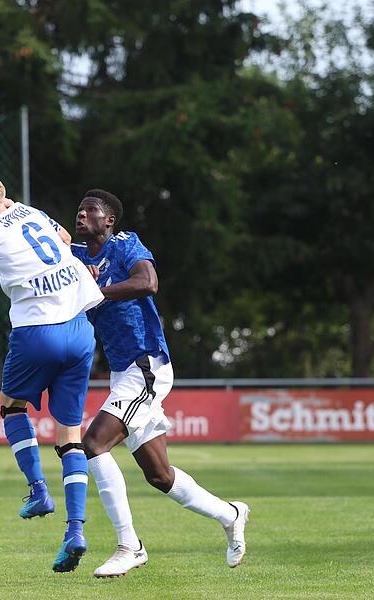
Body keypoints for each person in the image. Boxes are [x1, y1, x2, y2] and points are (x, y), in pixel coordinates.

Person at [71, 189, 250, 578]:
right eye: (79, 209)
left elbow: (148, 281)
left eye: (91, 210)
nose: (81, 214)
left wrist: (94, 292)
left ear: (110, 219)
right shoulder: (76, 257)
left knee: (94, 443)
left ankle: (129, 545)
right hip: (124, 371)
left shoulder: (124, 244)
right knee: (160, 476)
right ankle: (231, 514)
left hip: (146, 364)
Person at [0, 172, 104, 573]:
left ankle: (37, 490)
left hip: (37, 332)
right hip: (80, 330)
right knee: (69, 436)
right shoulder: (33, 212)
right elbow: (65, 239)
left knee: (12, 409)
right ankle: (75, 530)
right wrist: (7, 205)